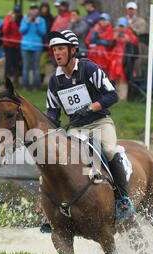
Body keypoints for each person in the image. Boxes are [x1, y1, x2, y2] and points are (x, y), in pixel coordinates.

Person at [46, 29, 133, 218]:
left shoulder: (89, 69)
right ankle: (54, 209)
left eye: (61, 49)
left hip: (101, 122)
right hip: (77, 128)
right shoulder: (55, 80)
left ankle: (122, 198)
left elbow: (112, 95)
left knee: (109, 151)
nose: (57, 54)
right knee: (63, 160)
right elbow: (53, 110)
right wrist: (51, 127)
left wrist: (89, 108)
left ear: (73, 50)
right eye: (55, 50)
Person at [109, 17, 139, 102]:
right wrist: (114, 39)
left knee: (123, 81)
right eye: (120, 26)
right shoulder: (115, 34)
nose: (121, 28)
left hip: (125, 63)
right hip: (115, 62)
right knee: (116, 80)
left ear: (127, 26)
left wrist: (128, 41)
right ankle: (116, 98)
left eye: (123, 26)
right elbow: (110, 48)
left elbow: (135, 53)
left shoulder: (131, 36)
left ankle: (122, 99)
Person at [19, 3, 46, 91]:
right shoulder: (25, 19)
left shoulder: (41, 20)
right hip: (25, 47)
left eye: (35, 9)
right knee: (25, 67)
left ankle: (35, 87)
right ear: (30, 10)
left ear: (37, 10)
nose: (34, 10)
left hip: (37, 47)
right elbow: (21, 31)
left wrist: (37, 24)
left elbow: (43, 33)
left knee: (36, 68)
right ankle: (25, 86)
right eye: (32, 9)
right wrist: (27, 23)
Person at [2, 4, 23, 84]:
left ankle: (15, 81)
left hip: (17, 45)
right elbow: (5, 31)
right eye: (15, 12)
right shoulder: (8, 18)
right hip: (8, 45)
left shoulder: (22, 19)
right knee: (8, 63)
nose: (17, 14)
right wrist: (10, 22)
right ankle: (6, 82)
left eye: (18, 12)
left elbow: (21, 32)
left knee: (16, 64)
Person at [39, 2, 54, 84]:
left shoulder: (51, 18)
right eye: (43, 8)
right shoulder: (39, 18)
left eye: (46, 8)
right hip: (41, 44)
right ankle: (41, 79)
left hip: (50, 43)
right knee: (42, 63)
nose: (44, 10)